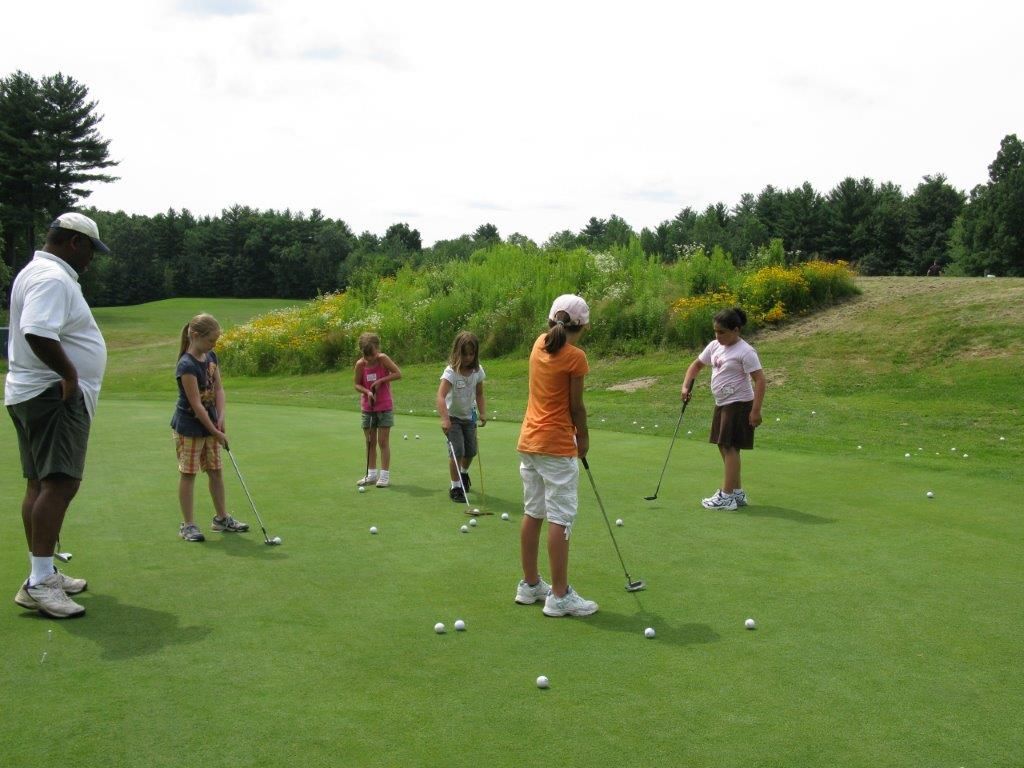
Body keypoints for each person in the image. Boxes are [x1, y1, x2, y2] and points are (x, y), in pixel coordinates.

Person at [7, 213, 109, 618]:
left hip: (32, 392)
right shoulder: (52, 278)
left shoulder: (39, 272)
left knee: (39, 484)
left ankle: (42, 572)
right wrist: (69, 373)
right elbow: (37, 331)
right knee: (61, 484)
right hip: (52, 396)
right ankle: (40, 583)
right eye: (90, 251)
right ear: (73, 243)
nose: (91, 260)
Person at [515, 294, 598, 618]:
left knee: (533, 512)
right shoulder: (576, 356)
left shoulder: (538, 343)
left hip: (529, 442)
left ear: (551, 320)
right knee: (560, 517)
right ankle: (559, 596)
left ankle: (531, 584)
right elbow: (576, 406)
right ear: (583, 326)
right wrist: (584, 437)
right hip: (556, 445)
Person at [171, 313, 249, 542]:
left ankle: (221, 518)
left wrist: (221, 418)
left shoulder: (211, 356)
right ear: (195, 336)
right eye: (210, 340)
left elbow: (219, 390)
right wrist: (216, 431)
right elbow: (195, 405)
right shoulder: (186, 365)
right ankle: (188, 525)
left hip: (211, 425)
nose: (213, 345)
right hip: (189, 427)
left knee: (215, 471)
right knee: (189, 473)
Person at [681, 306, 766, 512]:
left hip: (739, 404)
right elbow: (696, 366)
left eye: (722, 332)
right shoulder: (714, 346)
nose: (717, 336)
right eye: (715, 331)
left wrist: (755, 411)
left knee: (729, 447)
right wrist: (685, 385)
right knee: (724, 446)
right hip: (722, 404)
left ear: (736, 330)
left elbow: (760, 380)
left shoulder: (745, 351)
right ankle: (736, 492)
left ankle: (726, 496)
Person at [436, 331, 487, 504]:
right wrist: (444, 419)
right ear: (457, 353)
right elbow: (441, 396)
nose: (468, 358)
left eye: (471, 354)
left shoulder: (477, 371)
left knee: (471, 451)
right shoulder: (451, 372)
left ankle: (463, 474)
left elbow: (479, 394)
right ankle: (455, 486)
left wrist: (482, 412)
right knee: (457, 450)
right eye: (464, 354)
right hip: (453, 418)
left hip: (469, 417)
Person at [353, 332, 401, 488]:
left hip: (384, 406)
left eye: (372, 354)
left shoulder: (383, 359)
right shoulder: (360, 364)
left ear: (377, 349)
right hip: (368, 408)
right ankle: (371, 475)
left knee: (382, 442)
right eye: (367, 356)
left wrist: (381, 380)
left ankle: (384, 476)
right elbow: (356, 385)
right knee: (370, 442)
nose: (370, 359)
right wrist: (367, 392)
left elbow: (398, 374)